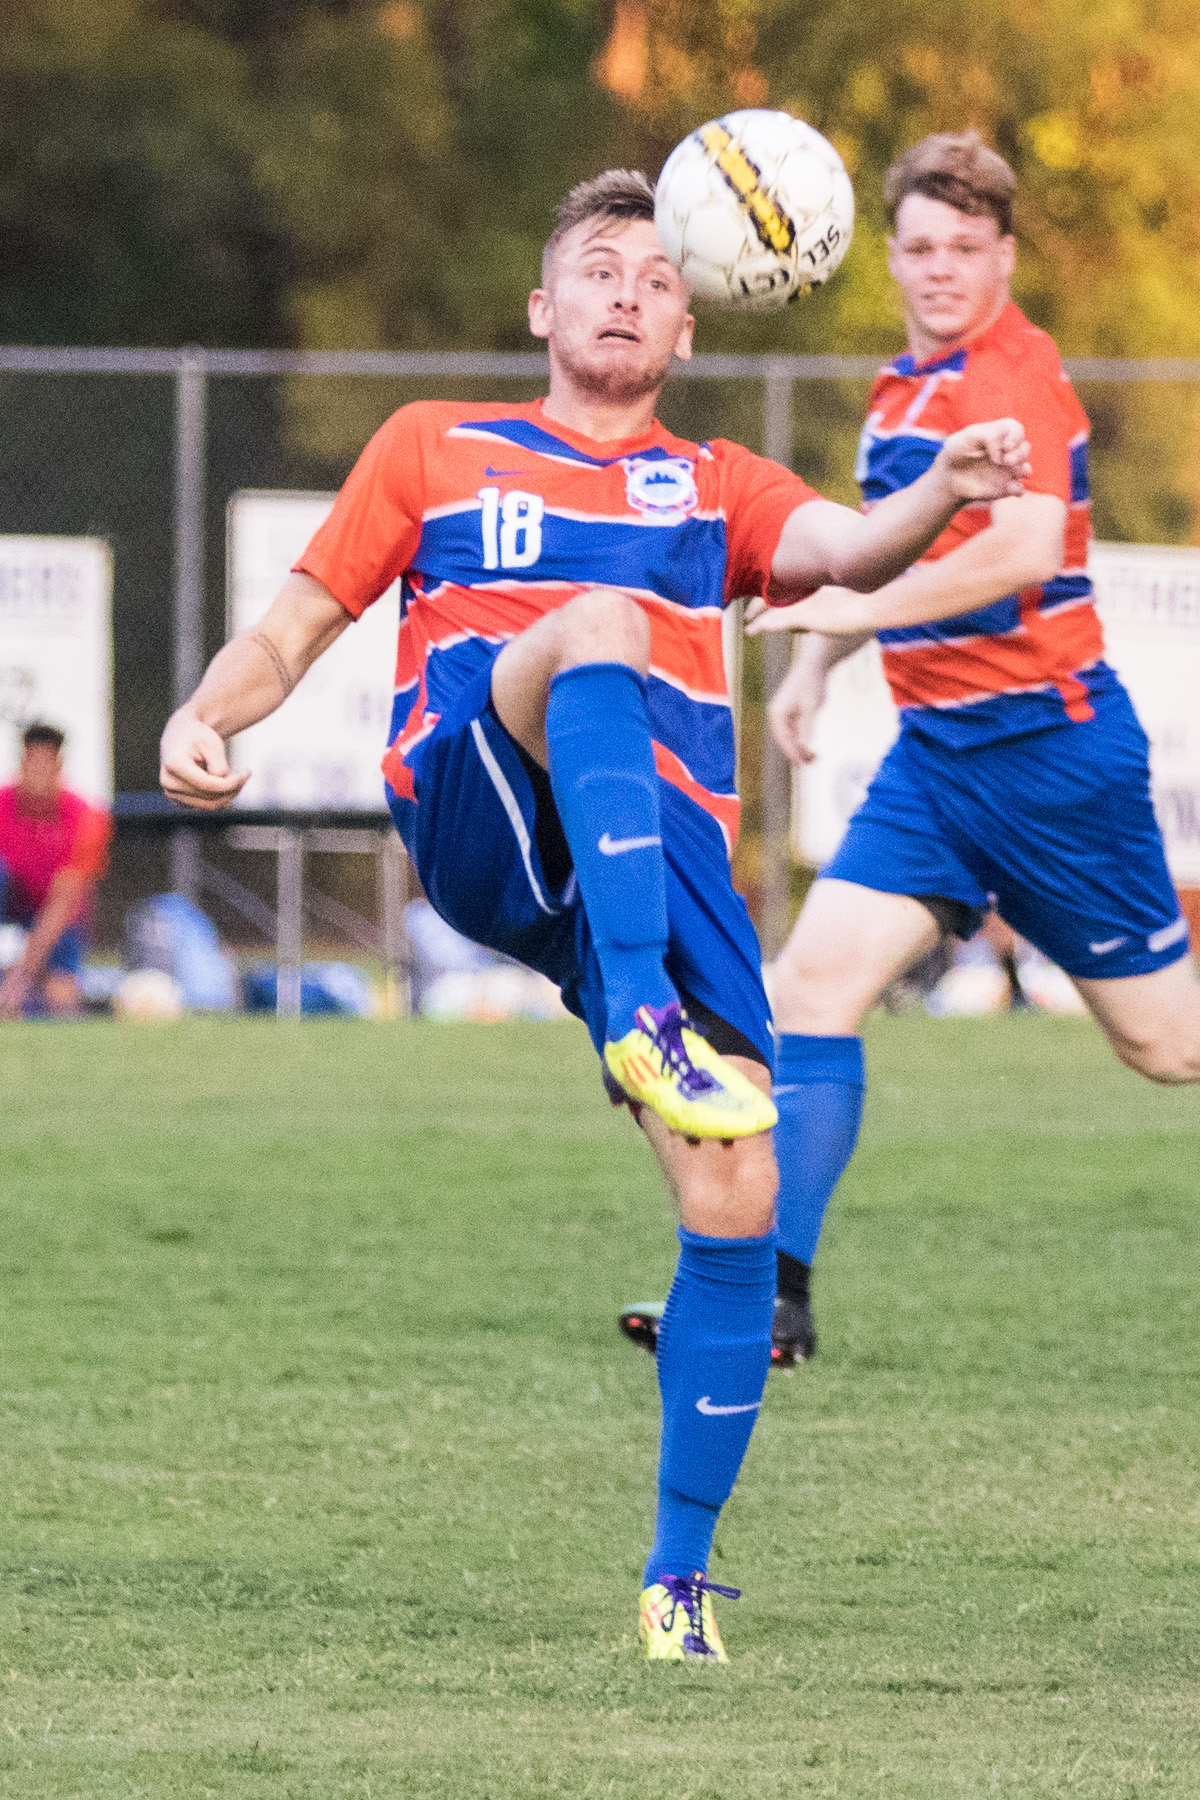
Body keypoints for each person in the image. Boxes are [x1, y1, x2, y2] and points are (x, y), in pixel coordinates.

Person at [159, 169, 1029, 1661]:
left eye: (654, 277)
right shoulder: (437, 447)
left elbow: (840, 551)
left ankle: (677, 1584)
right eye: (598, 271)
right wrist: (207, 712)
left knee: (737, 1205)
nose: (626, 292)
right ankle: (638, 1018)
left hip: (657, 864)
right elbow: (301, 619)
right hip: (480, 795)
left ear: (691, 320)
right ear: (542, 310)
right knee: (604, 626)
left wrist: (939, 495)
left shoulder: (719, 485)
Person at [622, 130, 1200, 1371]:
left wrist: (848, 619)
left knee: (1169, 1049)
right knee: (810, 990)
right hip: (935, 765)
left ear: (1004, 254)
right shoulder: (903, 389)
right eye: (920, 248)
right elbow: (891, 541)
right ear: (889, 254)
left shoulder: (1017, 376)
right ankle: (771, 1295)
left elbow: (1024, 549)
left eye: (965, 248)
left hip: (1054, 757)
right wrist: (822, 668)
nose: (940, 270)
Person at [0, 722, 112, 1019]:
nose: (38, 775)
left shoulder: (86, 815)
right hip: (9, 917)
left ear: (59, 766)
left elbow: (62, 902)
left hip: (57, 924)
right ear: (22, 764)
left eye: (46, 766)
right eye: (32, 765)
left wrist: (21, 974)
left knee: (60, 995)